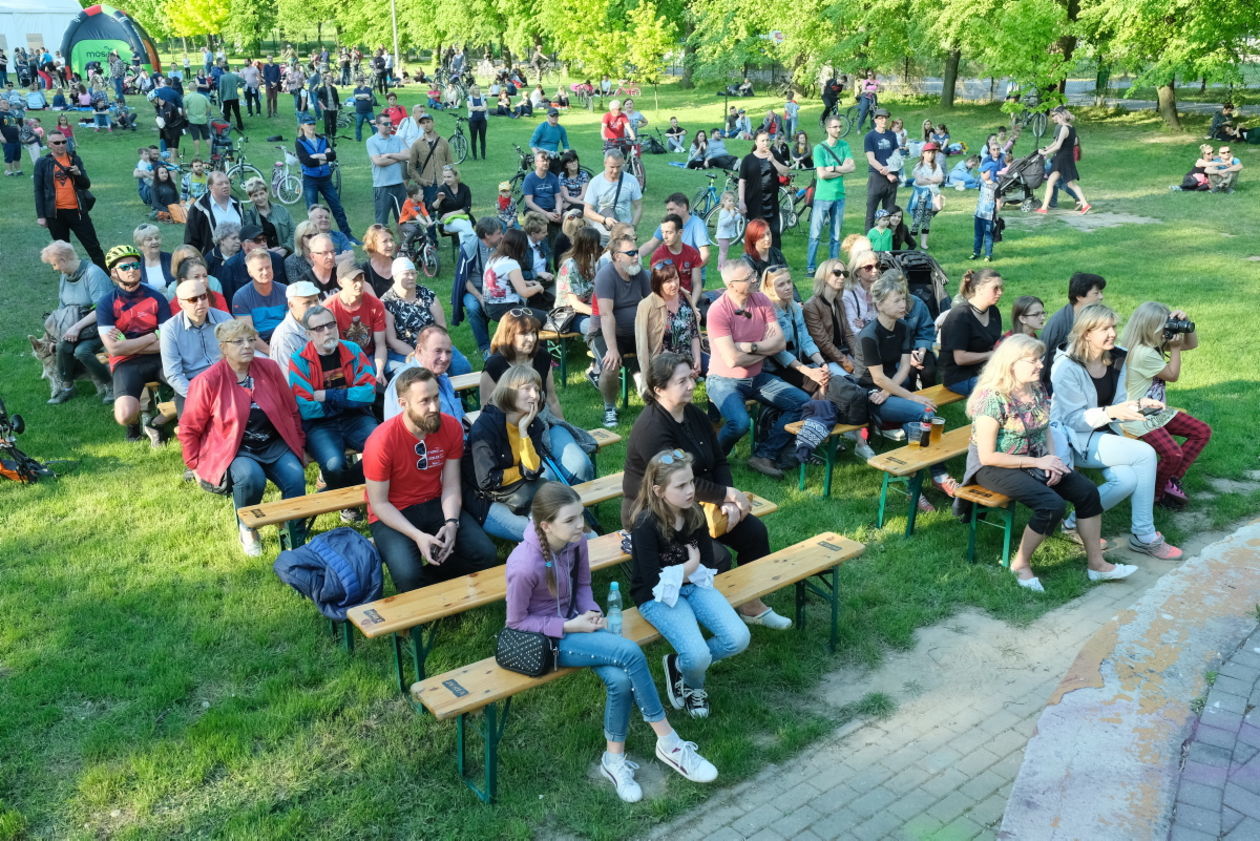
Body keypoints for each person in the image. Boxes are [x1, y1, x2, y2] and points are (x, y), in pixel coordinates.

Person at [504, 482, 720, 802]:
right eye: (570, 520)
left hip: (579, 624)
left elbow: (583, 585)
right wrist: (569, 625)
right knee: (631, 653)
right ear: (545, 525)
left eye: (580, 515)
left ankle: (613, 760)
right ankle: (669, 741)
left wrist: (590, 612)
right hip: (549, 639)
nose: (580, 525)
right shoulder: (524, 565)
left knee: (620, 680)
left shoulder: (575, 541)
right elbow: (517, 622)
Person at [623, 353, 789, 629]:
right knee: (718, 556)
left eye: (691, 377)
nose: (691, 384)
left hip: (693, 502)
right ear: (659, 389)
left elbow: (718, 459)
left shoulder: (693, 414)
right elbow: (673, 483)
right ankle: (709, 616)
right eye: (681, 381)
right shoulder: (651, 428)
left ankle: (750, 603)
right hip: (656, 512)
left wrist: (727, 497)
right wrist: (724, 496)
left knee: (755, 532)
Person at [961, 334, 1136, 591]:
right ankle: (1020, 565)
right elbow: (988, 456)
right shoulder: (992, 399)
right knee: (1051, 504)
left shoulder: (1036, 388)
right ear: (1011, 364)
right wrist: (1039, 463)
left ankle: (1097, 565)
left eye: (1040, 359)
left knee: (1086, 491)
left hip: (1036, 457)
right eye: (1033, 360)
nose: (1041, 365)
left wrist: (1052, 459)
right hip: (993, 467)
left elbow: (1046, 429)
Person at [1049, 305, 1183, 560]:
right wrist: (1112, 412)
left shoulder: (1118, 357)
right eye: (1105, 329)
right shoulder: (1066, 366)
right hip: (1072, 440)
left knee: (1127, 480)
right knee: (1145, 454)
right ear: (1086, 333)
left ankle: (1072, 524)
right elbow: (1073, 420)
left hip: (1104, 434)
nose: (1112, 333)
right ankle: (1144, 535)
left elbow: (1120, 402)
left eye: (1114, 327)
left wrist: (1141, 405)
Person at [630, 447, 751, 720]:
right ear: (659, 490)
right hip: (656, 597)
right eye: (681, 485)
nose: (690, 490)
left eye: (692, 482)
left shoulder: (693, 512)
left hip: (694, 584)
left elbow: (707, 561)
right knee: (698, 655)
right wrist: (686, 568)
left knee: (739, 638)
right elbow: (651, 581)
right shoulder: (645, 524)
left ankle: (679, 665)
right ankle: (694, 684)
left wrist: (691, 572)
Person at [179, 319, 306, 556]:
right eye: (238, 342)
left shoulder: (269, 368)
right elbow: (189, 428)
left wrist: (299, 445)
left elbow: (291, 410)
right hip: (235, 448)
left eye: (250, 340)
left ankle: (293, 531)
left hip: (272, 443)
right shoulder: (207, 381)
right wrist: (193, 464)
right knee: (250, 477)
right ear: (223, 347)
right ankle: (248, 528)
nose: (247, 346)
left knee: (295, 476)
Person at [365, 365, 498, 588]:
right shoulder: (381, 441)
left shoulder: (451, 427)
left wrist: (452, 523)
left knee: (485, 555)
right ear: (403, 404)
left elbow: (451, 486)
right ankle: (422, 586)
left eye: (436, 397)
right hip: (393, 512)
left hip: (434, 502)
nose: (434, 407)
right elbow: (379, 503)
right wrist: (417, 536)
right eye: (424, 401)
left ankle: (433, 583)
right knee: (408, 577)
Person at [856, 274, 956, 504]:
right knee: (924, 414)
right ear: (879, 304)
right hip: (871, 396)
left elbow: (903, 366)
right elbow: (878, 379)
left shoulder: (903, 327)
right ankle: (937, 476)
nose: (904, 304)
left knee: (918, 423)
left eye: (903, 299)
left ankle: (917, 481)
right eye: (897, 300)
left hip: (890, 392)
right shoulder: (869, 335)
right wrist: (912, 398)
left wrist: (894, 392)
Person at [705, 261, 808, 478]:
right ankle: (711, 460)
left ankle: (764, 454)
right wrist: (765, 350)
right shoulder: (718, 311)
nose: (754, 279)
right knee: (739, 423)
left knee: (801, 403)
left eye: (753, 274)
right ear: (732, 285)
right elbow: (732, 360)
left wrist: (751, 347)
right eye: (748, 278)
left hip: (756, 377)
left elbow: (780, 342)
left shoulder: (761, 300)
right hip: (723, 380)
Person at [480, 311, 594, 482]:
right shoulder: (494, 365)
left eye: (534, 332)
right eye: (524, 333)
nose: (532, 338)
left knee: (581, 464)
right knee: (545, 476)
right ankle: (556, 507)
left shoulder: (541, 356)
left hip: (544, 421)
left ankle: (581, 507)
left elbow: (552, 399)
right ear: (508, 334)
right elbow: (486, 411)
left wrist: (564, 427)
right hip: (512, 431)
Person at [1118, 302, 1211, 509]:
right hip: (1138, 416)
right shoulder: (1143, 352)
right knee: (1173, 454)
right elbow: (1172, 375)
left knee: (1201, 431)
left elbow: (1191, 344)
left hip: (1155, 410)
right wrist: (1175, 349)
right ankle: (1155, 496)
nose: (1168, 331)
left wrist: (1185, 324)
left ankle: (1168, 479)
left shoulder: (1151, 344)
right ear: (1150, 327)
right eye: (1165, 327)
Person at [288, 304, 379, 507]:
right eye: (319, 328)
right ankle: (347, 502)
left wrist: (327, 396)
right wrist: (347, 399)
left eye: (330, 324)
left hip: (357, 418)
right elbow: (306, 406)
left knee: (383, 448)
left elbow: (368, 393)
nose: (327, 331)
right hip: (320, 425)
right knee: (334, 466)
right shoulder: (298, 361)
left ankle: (338, 490)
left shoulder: (353, 350)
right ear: (308, 334)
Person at [465, 364, 560, 541]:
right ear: (509, 392)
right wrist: (522, 472)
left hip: (519, 489)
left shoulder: (533, 424)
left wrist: (523, 432)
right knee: (542, 535)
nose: (534, 395)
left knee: (560, 519)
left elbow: (532, 471)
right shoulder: (485, 427)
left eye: (537, 390)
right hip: (485, 499)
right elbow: (487, 480)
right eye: (527, 389)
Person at [96, 244, 171, 443]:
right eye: (125, 267)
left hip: (160, 358)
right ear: (113, 273)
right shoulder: (106, 303)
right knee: (124, 415)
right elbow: (113, 348)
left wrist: (129, 343)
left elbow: (168, 342)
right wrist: (151, 337)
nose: (132, 270)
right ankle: (134, 423)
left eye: (135, 265)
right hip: (126, 362)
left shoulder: (156, 297)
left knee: (189, 391)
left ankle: (157, 422)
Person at [588, 232, 650, 427]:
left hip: (635, 330)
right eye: (630, 253)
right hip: (604, 332)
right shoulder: (606, 276)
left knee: (661, 355)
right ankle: (609, 408)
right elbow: (606, 315)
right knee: (610, 364)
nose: (636, 256)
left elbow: (652, 305)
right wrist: (612, 349)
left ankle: (655, 399)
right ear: (616, 256)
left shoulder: (640, 273)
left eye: (637, 252)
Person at [40, 240, 113, 404]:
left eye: (54, 264)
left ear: (63, 260)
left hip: (100, 327)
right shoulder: (65, 277)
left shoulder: (93, 274)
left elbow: (102, 309)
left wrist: (76, 328)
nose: (55, 268)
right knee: (61, 346)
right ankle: (67, 388)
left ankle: (110, 385)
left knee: (82, 351)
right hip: (75, 328)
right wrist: (55, 337)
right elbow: (61, 309)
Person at [382, 255, 471, 375]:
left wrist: (435, 348)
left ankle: (455, 393)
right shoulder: (387, 302)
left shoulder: (427, 295)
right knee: (420, 376)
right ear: (395, 276)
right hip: (405, 350)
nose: (411, 277)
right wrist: (418, 354)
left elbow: (441, 326)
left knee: (462, 368)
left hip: (434, 345)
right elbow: (391, 340)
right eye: (407, 274)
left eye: (414, 273)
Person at [160, 277, 234, 412]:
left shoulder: (225, 319)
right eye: (193, 299)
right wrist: (199, 396)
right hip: (192, 384)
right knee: (192, 428)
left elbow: (237, 357)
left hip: (225, 378)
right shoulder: (170, 329)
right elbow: (173, 374)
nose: (200, 303)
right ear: (181, 303)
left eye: (203, 296)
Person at [33, 130, 105, 269]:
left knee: (93, 246)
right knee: (62, 250)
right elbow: (38, 190)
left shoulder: (74, 159)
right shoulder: (42, 162)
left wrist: (78, 174)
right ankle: (68, 276)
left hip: (77, 211)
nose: (61, 145)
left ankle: (105, 274)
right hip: (55, 214)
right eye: (57, 142)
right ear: (49, 144)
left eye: (64, 142)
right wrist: (41, 216)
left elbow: (86, 184)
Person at [760, 265, 831, 395]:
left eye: (789, 282)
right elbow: (779, 354)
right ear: (769, 289)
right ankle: (814, 412)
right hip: (777, 369)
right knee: (820, 384)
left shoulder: (794, 307)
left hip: (798, 365)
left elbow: (806, 340)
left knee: (827, 379)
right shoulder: (768, 314)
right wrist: (809, 372)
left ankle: (819, 412)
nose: (788, 287)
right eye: (781, 284)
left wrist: (822, 364)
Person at [939, 268, 1004, 397]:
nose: (1000, 292)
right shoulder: (960, 316)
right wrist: (991, 355)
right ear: (979, 289)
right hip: (959, 377)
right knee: (1003, 390)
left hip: (985, 371)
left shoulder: (993, 311)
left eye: (1001, 288)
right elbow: (960, 358)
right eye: (995, 288)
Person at [1040, 272, 1106, 389]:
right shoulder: (1059, 322)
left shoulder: (1093, 317)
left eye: (1101, 292)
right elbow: (1043, 353)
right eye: (1096, 293)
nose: (1101, 297)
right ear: (1079, 297)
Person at [634, 258, 702, 371]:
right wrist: (683, 369)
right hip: (664, 363)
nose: (674, 284)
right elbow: (644, 344)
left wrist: (697, 360)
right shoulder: (647, 306)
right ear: (658, 284)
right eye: (668, 281)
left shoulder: (685, 297)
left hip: (689, 359)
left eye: (676, 278)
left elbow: (694, 333)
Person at [807, 116, 855, 275]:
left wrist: (833, 168)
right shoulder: (819, 148)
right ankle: (811, 267)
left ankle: (834, 266)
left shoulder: (844, 145)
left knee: (836, 235)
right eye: (835, 127)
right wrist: (841, 169)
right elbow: (821, 175)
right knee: (815, 234)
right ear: (827, 129)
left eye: (840, 126)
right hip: (822, 196)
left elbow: (852, 167)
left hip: (839, 196)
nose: (838, 129)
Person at [451, 216, 504, 359]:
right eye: (498, 233)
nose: (502, 236)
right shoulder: (470, 247)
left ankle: (507, 344)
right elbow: (463, 278)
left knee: (509, 306)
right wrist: (480, 297)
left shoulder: (502, 245)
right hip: (474, 289)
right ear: (487, 235)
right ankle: (485, 348)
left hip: (496, 287)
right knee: (474, 307)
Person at [325, 259, 388, 377]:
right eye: (354, 280)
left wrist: (380, 372)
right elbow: (329, 350)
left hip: (370, 357)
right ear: (340, 282)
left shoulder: (376, 305)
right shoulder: (328, 309)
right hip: (343, 362)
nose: (359, 284)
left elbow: (380, 344)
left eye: (361, 278)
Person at [296, 116, 354, 241]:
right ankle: (315, 238)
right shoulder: (300, 142)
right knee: (313, 211)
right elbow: (307, 161)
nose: (312, 126)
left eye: (313, 123)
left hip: (325, 179)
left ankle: (347, 235)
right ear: (302, 126)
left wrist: (316, 156)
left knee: (337, 207)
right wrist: (324, 157)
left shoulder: (322, 139)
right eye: (308, 124)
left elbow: (332, 156)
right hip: (310, 179)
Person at [738, 129, 791, 250]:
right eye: (762, 140)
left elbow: (786, 172)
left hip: (772, 203)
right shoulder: (748, 159)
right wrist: (741, 200)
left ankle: (775, 262)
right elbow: (742, 180)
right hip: (754, 204)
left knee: (774, 234)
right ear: (756, 142)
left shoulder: (775, 155)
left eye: (767, 140)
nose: (765, 143)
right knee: (757, 235)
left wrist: (773, 160)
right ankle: (756, 262)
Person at [1036, 107, 1090, 214]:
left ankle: (1044, 208)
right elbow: (1056, 143)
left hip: (1061, 159)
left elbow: (1058, 146)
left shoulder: (1064, 128)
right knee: (1065, 183)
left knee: (1058, 183)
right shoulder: (1071, 128)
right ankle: (1044, 208)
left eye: (1054, 115)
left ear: (1060, 115)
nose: (1053, 118)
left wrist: (1044, 153)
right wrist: (1047, 148)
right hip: (1066, 158)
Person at [583, 149, 643, 242]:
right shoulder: (595, 182)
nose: (615, 170)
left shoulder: (631, 180)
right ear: (605, 163)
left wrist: (633, 227)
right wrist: (604, 220)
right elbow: (587, 210)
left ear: (623, 162)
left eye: (619, 166)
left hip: (625, 234)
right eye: (612, 167)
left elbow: (638, 206)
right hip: (602, 234)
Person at [648, 214, 704, 308]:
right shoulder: (658, 256)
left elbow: (697, 284)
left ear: (680, 232)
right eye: (662, 232)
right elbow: (656, 287)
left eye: (669, 232)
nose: (664, 236)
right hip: (666, 303)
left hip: (687, 300)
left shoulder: (692, 253)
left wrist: (692, 306)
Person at [366, 112, 409, 227]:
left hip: (399, 185)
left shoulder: (397, 139)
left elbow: (408, 155)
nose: (390, 125)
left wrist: (389, 155)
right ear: (378, 125)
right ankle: (381, 244)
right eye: (386, 124)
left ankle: (404, 244)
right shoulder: (371, 141)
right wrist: (398, 158)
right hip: (382, 186)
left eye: (391, 123)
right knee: (381, 222)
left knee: (403, 220)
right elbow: (379, 162)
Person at [267, 280, 323, 369]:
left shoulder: (321, 322)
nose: (314, 306)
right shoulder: (284, 338)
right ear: (291, 305)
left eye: (316, 300)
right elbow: (288, 378)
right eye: (307, 303)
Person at [185, 171, 243, 255]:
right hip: (212, 260)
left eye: (227, 183)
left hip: (238, 258)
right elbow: (191, 240)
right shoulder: (198, 208)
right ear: (210, 187)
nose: (225, 186)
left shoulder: (237, 204)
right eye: (220, 184)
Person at [863, 108, 901, 231]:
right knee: (871, 209)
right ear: (875, 120)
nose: (883, 120)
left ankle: (887, 240)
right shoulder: (869, 136)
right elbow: (871, 159)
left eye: (885, 118)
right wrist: (886, 172)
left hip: (892, 177)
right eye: (880, 118)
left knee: (889, 211)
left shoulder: (892, 135)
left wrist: (891, 170)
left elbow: (896, 154)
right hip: (876, 177)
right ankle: (869, 239)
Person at [406, 114, 452, 207]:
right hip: (428, 185)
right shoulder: (417, 144)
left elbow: (450, 163)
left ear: (433, 123)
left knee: (445, 210)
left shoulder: (443, 141)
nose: (426, 125)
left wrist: (448, 179)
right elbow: (411, 167)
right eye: (423, 123)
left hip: (444, 183)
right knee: (430, 211)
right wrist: (421, 180)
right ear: (420, 125)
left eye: (428, 122)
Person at [240, 178, 295, 256]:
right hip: (263, 257)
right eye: (255, 195)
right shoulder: (249, 216)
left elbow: (293, 231)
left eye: (261, 193)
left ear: (267, 192)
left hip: (286, 254)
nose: (260, 198)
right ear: (250, 198)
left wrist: (285, 248)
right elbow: (249, 240)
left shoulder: (281, 210)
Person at [908, 142, 943, 248]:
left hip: (932, 196)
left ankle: (924, 242)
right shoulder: (919, 166)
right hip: (921, 195)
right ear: (923, 153)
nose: (930, 155)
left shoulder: (937, 166)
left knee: (927, 219)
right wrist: (933, 180)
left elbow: (940, 179)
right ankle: (912, 241)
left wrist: (928, 179)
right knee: (917, 219)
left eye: (933, 153)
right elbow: (919, 181)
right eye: (928, 152)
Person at [432, 165, 476, 248]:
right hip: (446, 222)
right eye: (444, 177)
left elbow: (467, 208)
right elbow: (432, 208)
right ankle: (476, 247)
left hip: (463, 218)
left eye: (449, 177)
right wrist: (439, 200)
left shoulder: (465, 188)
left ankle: (464, 254)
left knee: (464, 230)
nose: (446, 179)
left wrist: (450, 214)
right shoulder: (442, 189)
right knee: (465, 225)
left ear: (456, 176)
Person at [970, 156, 1001, 262]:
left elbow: (998, 201)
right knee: (978, 234)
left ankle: (988, 254)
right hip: (979, 214)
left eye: (984, 172)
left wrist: (996, 212)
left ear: (991, 172)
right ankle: (976, 252)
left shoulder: (996, 186)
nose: (981, 174)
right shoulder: (982, 183)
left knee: (988, 235)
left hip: (988, 216)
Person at [714, 192, 742, 267]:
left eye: (733, 201)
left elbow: (734, 220)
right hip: (722, 236)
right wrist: (732, 214)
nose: (732, 203)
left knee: (723, 252)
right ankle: (722, 267)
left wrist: (739, 214)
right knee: (723, 253)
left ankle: (720, 266)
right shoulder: (723, 212)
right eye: (729, 201)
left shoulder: (728, 211)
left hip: (725, 236)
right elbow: (723, 223)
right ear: (723, 202)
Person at [466, 84, 488, 159]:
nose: (477, 90)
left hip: (482, 120)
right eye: (476, 89)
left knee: (482, 138)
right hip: (473, 120)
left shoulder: (483, 97)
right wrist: (479, 107)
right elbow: (470, 108)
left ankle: (483, 155)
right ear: (473, 90)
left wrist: (475, 108)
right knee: (473, 138)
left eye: (478, 88)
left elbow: (485, 108)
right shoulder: (469, 98)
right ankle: (474, 155)